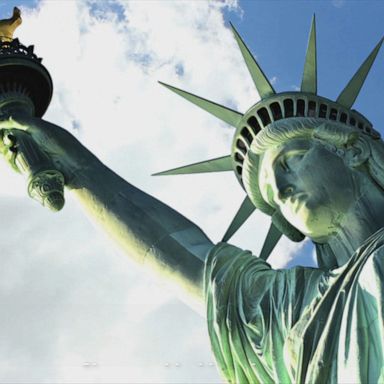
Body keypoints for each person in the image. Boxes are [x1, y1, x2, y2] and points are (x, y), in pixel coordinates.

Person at [0, 17, 383, 384]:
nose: (283, 191)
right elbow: (187, 259)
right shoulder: (300, 308)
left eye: (291, 161)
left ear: (353, 151)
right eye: (271, 193)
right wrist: (77, 170)